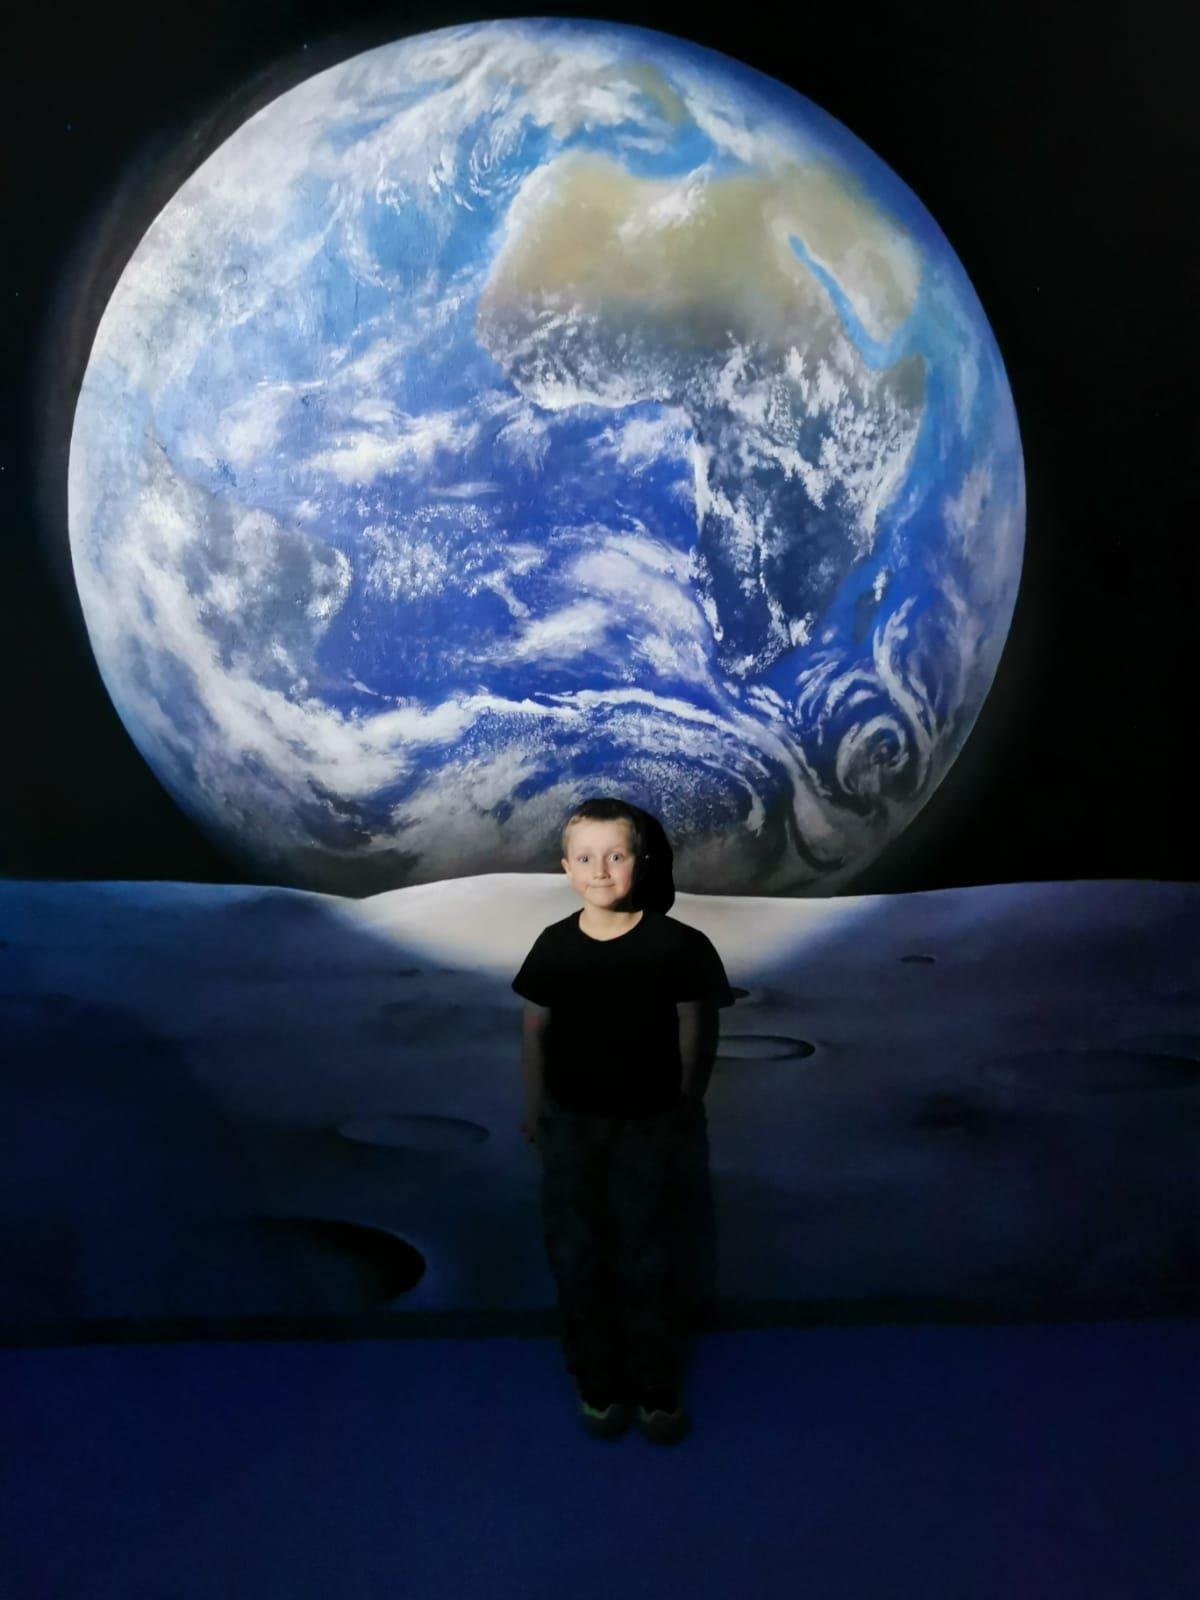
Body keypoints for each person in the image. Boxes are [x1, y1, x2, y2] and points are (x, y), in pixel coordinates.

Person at [511, 796, 737, 1442]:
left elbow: (695, 1024)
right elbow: (533, 1031)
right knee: (576, 1254)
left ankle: (656, 1388)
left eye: (616, 855)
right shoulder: (554, 946)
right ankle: (598, 1383)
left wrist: (685, 1099)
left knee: (650, 1253)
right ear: (565, 868)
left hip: (650, 1125)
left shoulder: (678, 945)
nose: (601, 871)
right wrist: (533, 1107)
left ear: (641, 861)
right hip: (571, 1126)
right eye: (585, 858)